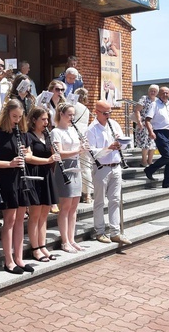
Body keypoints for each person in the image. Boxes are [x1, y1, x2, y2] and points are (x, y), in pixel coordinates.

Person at [0, 99, 35, 274]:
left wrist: (27, 153)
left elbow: (30, 154)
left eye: (19, 116)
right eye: (13, 116)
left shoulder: (23, 133)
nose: (16, 120)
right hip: (7, 178)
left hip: (21, 179)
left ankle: (19, 258)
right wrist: (9, 163)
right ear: (7, 115)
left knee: (19, 221)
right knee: (9, 221)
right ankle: (8, 260)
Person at [86, 100, 132, 246]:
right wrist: (109, 148)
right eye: (105, 113)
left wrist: (121, 144)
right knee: (99, 201)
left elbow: (124, 145)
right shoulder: (91, 129)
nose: (108, 115)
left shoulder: (114, 124)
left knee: (115, 200)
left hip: (116, 166)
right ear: (97, 112)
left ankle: (115, 232)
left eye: (109, 112)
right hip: (101, 168)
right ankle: (100, 231)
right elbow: (91, 153)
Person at [26, 108, 60, 262]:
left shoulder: (47, 135)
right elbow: (28, 157)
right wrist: (47, 160)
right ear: (34, 120)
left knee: (44, 214)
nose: (46, 122)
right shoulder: (28, 136)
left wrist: (55, 152)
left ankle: (42, 245)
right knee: (34, 215)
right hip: (35, 175)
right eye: (43, 119)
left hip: (47, 175)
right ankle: (35, 248)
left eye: (47, 119)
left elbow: (52, 153)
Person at [51, 103, 85, 253]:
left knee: (74, 207)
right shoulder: (56, 132)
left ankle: (72, 239)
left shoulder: (73, 130)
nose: (72, 118)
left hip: (76, 167)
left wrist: (82, 149)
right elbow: (59, 153)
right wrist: (77, 150)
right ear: (61, 114)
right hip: (64, 168)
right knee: (65, 207)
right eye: (70, 115)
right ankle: (65, 241)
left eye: (73, 115)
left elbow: (77, 150)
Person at [144, 86, 169, 189]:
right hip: (159, 132)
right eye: (163, 93)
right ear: (159, 94)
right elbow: (147, 120)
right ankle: (149, 170)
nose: (165, 95)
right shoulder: (154, 105)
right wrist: (151, 132)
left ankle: (167, 182)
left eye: (167, 93)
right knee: (167, 156)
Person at [73, 87, 92, 203]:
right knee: (86, 166)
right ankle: (88, 194)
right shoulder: (86, 109)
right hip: (85, 136)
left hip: (74, 135)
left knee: (75, 165)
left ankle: (77, 191)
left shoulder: (73, 106)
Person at [134, 84, 158, 167]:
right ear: (148, 91)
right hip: (144, 124)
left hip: (154, 125)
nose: (153, 92)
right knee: (145, 144)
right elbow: (137, 110)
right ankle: (144, 161)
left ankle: (150, 161)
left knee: (153, 144)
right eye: (151, 91)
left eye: (154, 91)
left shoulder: (157, 101)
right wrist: (139, 121)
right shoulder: (144, 98)